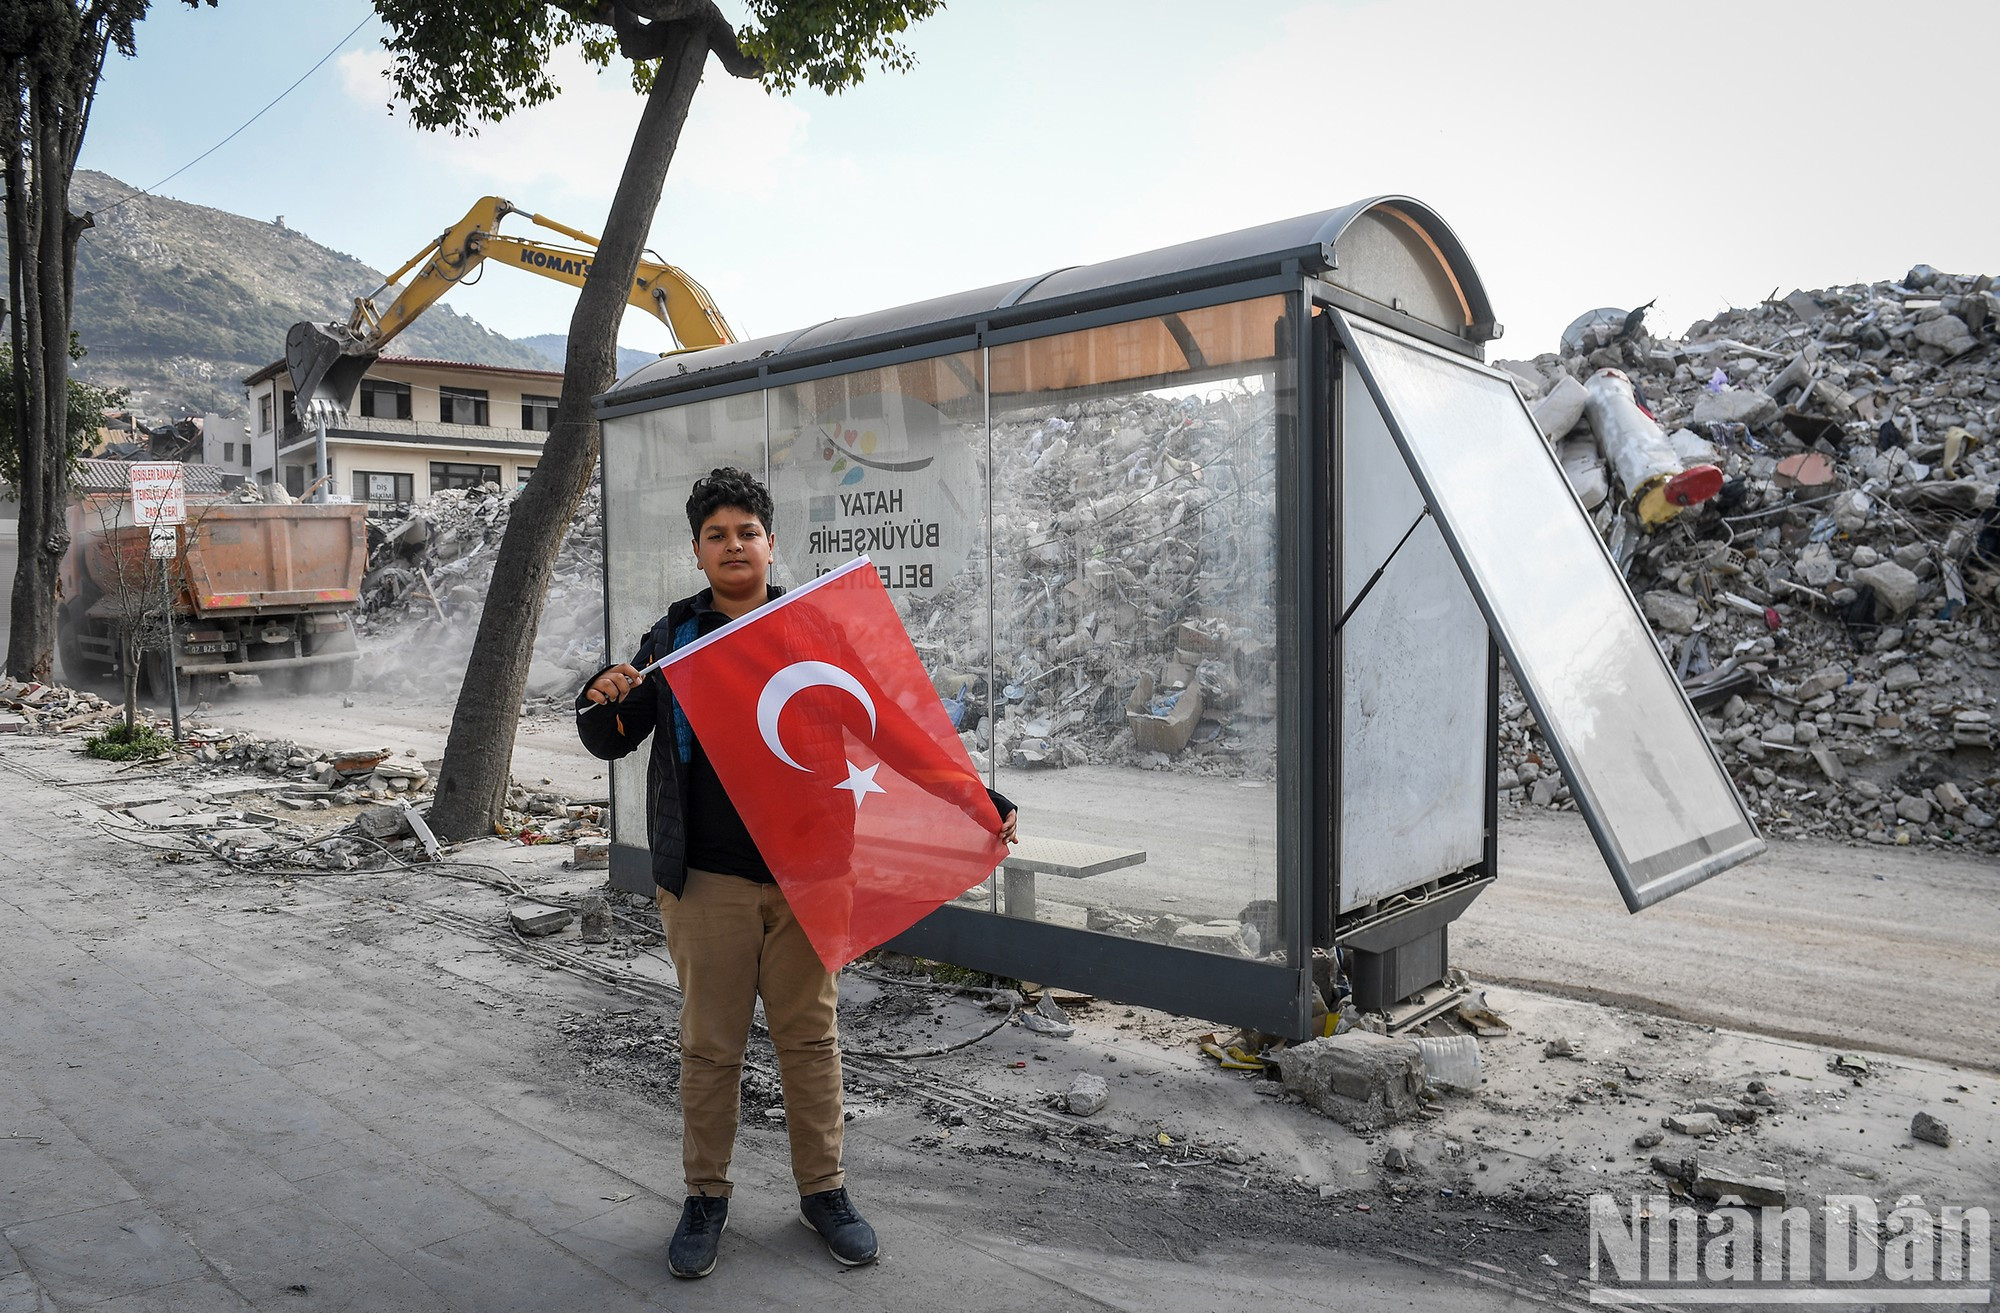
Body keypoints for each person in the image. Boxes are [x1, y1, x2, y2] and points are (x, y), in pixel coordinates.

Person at [576, 466, 1018, 1280]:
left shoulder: (813, 630)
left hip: (809, 876)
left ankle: (825, 1192)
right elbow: (613, 733)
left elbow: (889, 728)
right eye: (718, 535)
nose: (734, 546)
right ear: (698, 551)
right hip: (707, 883)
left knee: (810, 1040)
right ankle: (705, 1197)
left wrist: (972, 795)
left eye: (747, 532)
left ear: (771, 544)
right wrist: (597, 693)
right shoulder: (675, 640)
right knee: (711, 1049)